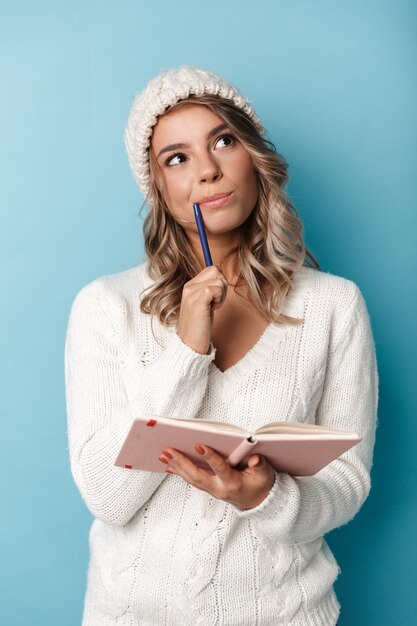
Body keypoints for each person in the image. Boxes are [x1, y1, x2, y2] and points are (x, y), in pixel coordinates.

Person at [65, 66, 378, 626]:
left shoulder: (335, 305)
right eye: (176, 158)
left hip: (286, 614)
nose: (207, 170)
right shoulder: (105, 306)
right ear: (159, 188)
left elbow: (348, 483)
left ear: (253, 156)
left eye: (223, 140)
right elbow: (107, 498)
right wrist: (186, 349)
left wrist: (264, 497)